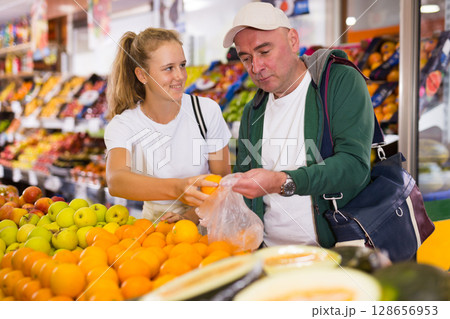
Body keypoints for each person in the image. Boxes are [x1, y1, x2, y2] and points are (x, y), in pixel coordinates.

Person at [223, 3, 374, 248]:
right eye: (246, 58)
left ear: (293, 40)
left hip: (335, 253)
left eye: (264, 52)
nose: (256, 67)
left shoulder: (339, 81)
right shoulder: (254, 110)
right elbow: (246, 180)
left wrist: (283, 182)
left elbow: (354, 166)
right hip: (270, 254)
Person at [105, 28, 231, 224]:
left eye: (182, 65)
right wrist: (178, 188)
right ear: (142, 75)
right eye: (169, 68)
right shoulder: (125, 124)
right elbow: (116, 180)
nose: (180, 76)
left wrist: (190, 216)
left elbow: (221, 179)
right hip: (154, 229)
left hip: (205, 222)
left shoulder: (206, 112)